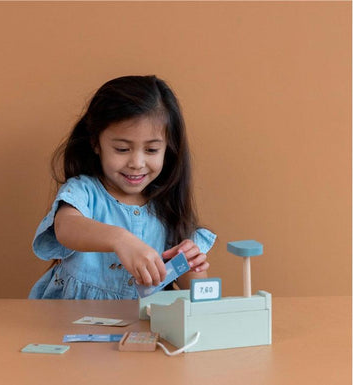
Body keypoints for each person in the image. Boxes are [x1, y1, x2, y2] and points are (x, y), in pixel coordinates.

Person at [29, 75, 216, 300]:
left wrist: (192, 264)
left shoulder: (169, 209)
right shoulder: (84, 192)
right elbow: (66, 227)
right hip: (71, 320)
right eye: (122, 149)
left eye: (151, 150)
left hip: (142, 325)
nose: (137, 163)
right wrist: (120, 240)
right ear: (96, 143)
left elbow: (198, 297)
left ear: (169, 149)